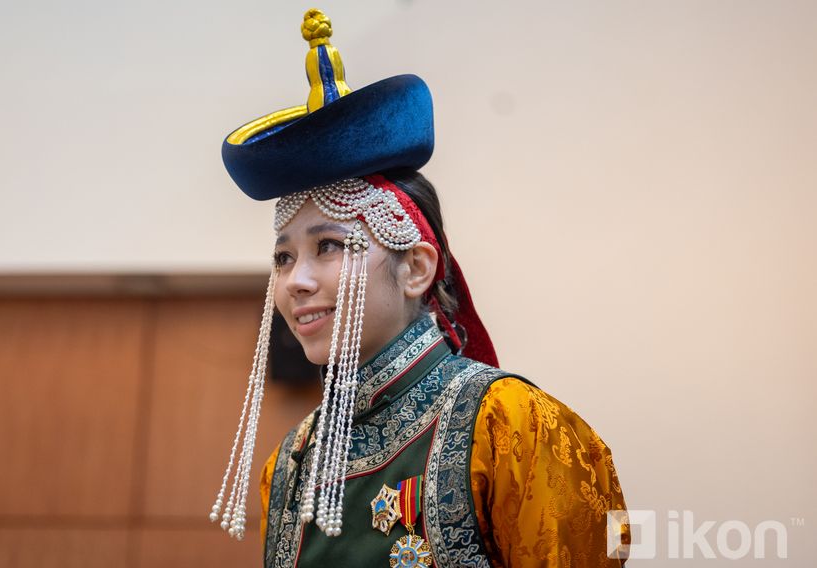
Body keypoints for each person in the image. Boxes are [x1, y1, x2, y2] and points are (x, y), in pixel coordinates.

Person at [209, 9, 631, 567]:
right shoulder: (288, 463)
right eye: (283, 257)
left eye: (329, 246)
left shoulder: (513, 427)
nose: (297, 281)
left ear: (415, 268)